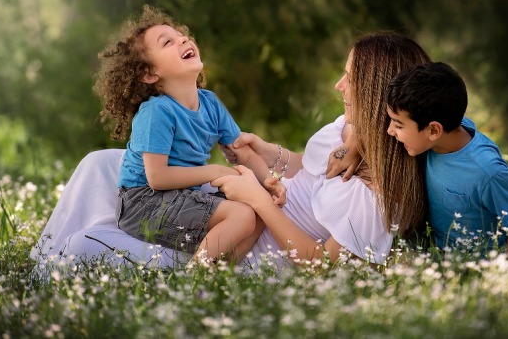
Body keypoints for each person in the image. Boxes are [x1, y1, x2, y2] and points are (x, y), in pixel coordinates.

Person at [31, 32, 431, 268]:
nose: (339, 88)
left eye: (350, 79)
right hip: (236, 197)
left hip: (244, 241)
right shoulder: (350, 129)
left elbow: (322, 265)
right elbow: (305, 169)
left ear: (379, 93)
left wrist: (259, 199)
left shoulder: (379, 197)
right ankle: (39, 260)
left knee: (83, 247)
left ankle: (182, 278)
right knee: (101, 163)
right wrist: (268, 153)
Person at [93, 5, 283, 263]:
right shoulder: (156, 112)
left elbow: (242, 151)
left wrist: (268, 182)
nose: (183, 39)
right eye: (167, 42)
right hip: (142, 202)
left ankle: (221, 271)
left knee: (261, 209)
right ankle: (196, 280)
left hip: (182, 195)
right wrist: (215, 171)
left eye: (181, 35)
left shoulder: (210, 103)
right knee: (242, 215)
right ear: (150, 74)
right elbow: (157, 178)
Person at [383, 62, 508, 251]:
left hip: (473, 263)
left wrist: (507, 269)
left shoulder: (486, 170)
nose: (390, 131)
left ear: (434, 130)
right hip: (433, 246)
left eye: (398, 125)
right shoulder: (446, 125)